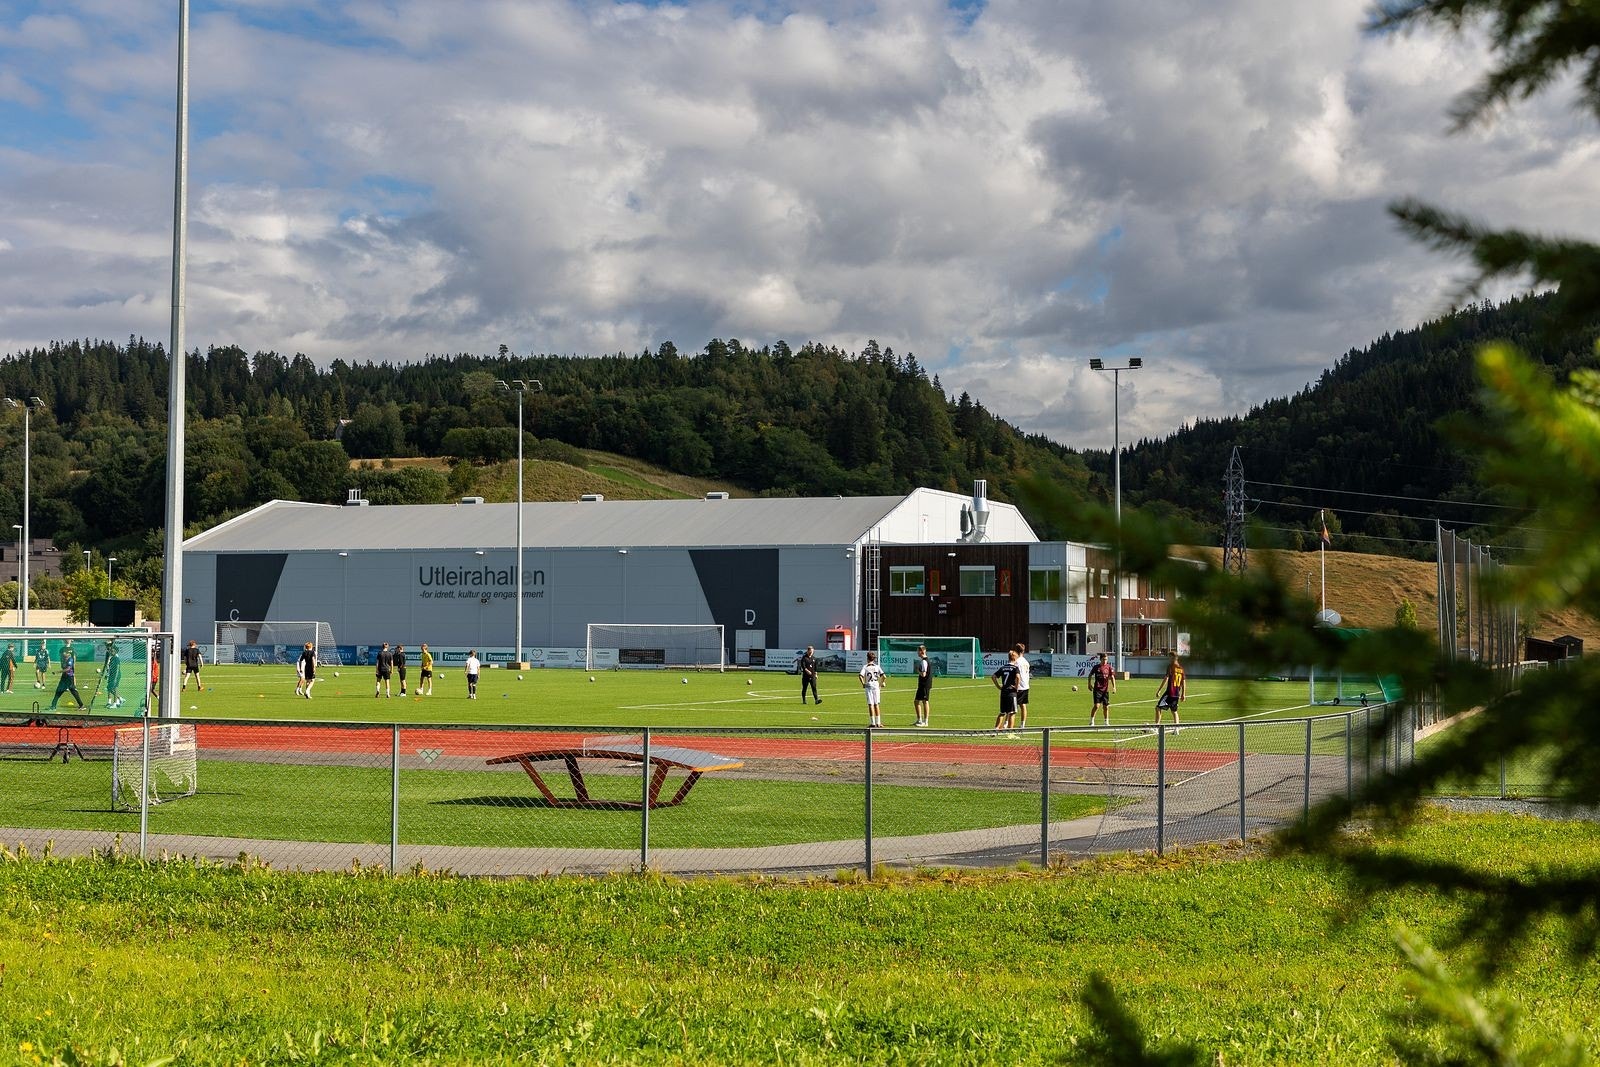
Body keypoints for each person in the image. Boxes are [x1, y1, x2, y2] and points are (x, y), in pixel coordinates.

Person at [1154, 654, 1186, 730]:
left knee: (1158, 708)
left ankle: (1156, 726)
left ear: (1174, 658)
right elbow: (1183, 682)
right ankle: (1177, 729)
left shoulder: (1171, 666)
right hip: (1176, 693)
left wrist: (1159, 690)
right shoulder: (1181, 669)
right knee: (1174, 711)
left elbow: (1166, 678)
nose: (1169, 659)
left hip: (1170, 692)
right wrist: (1183, 694)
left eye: (1170, 657)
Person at [992, 649, 1021, 733]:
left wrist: (998, 686)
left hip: (1003, 691)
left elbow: (993, 676)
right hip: (1011, 692)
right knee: (1012, 712)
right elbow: (1018, 677)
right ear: (1015, 658)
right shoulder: (1015, 668)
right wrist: (1016, 687)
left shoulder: (1003, 667)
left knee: (1002, 712)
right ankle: (1010, 732)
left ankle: (996, 729)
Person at [48, 644, 83, 710]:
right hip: (65, 676)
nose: (62, 654)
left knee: (65, 691)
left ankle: (53, 706)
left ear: (67, 653)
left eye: (63, 652)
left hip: (69, 677)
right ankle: (53, 705)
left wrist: (57, 672)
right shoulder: (64, 659)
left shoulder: (70, 659)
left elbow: (68, 669)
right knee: (63, 690)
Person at [1087, 651, 1116, 726]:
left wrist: (1114, 687)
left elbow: (1112, 677)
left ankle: (1106, 722)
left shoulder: (1109, 667)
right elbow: (1090, 675)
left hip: (1105, 690)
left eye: (1106, 659)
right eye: (1104, 659)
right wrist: (1089, 684)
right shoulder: (1096, 667)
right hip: (1097, 689)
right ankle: (1091, 721)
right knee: (1097, 706)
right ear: (1100, 659)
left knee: (1106, 707)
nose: (1105, 661)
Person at [858, 651, 886, 728]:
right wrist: (881, 683)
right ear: (873, 659)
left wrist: (863, 683)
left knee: (871, 704)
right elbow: (884, 676)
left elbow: (860, 676)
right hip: (876, 685)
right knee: (876, 704)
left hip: (869, 686)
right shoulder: (877, 666)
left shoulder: (865, 667)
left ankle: (873, 723)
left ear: (867, 658)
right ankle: (878, 723)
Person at [912, 644, 932, 726]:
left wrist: (918, 670)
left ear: (921, 651)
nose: (917, 653)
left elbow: (923, 674)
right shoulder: (926, 660)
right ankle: (919, 719)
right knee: (916, 701)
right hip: (922, 684)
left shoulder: (924, 661)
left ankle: (925, 721)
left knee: (925, 701)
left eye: (918, 651)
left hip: (925, 684)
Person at [1012, 642, 1031, 728]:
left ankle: (1007, 724)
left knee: (1012, 706)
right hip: (1026, 685)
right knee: (1023, 705)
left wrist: (1015, 685)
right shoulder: (1026, 662)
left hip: (1018, 686)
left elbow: (1016, 675)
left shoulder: (1016, 662)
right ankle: (1022, 725)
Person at [103, 640, 124, 709]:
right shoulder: (110, 655)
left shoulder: (115, 657)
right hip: (111, 674)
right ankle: (118, 699)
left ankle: (116, 702)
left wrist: (115, 677)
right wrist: (107, 673)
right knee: (110, 688)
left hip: (115, 675)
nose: (109, 650)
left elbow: (117, 668)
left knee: (113, 688)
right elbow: (108, 665)